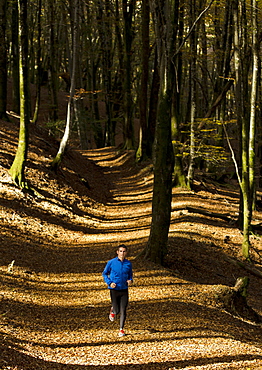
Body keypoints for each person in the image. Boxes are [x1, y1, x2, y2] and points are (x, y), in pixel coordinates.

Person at [102, 244, 133, 337]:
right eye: (120, 251)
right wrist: (109, 282)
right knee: (117, 310)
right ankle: (113, 311)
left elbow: (130, 275)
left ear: (126, 253)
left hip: (124, 289)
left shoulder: (128, 263)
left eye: (124, 251)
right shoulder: (111, 262)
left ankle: (121, 329)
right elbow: (104, 274)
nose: (122, 253)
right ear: (117, 252)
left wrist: (130, 280)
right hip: (114, 289)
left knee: (123, 310)